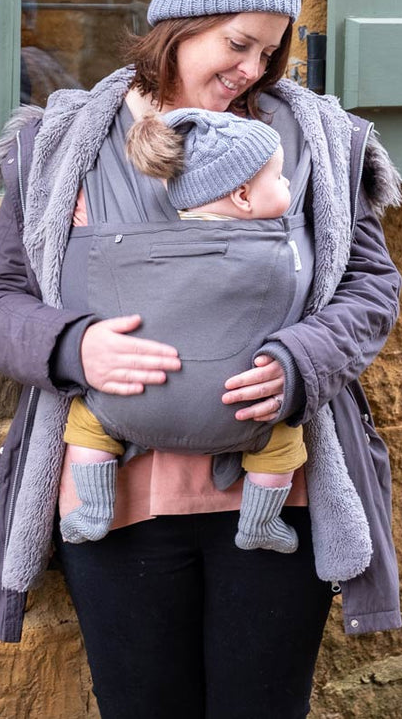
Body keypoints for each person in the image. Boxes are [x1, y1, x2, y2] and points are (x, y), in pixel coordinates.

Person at [0, 0, 402, 718]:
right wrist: (72, 346)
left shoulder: (312, 143)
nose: (255, 67)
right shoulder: (68, 146)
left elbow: (370, 289)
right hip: (121, 499)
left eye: (271, 48)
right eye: (236, 43)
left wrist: (301, 359)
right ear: (177, 26)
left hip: (278, 496)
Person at [60, 106, 306, 555]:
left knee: (87, 421)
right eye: (279, 177)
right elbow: (298, 304)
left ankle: (94, 507)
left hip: (131, 403)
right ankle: (260, 523)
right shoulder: (273, 250)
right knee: (284, 438)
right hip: (241, 408)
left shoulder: (141, 243)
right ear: (244, 197)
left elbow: (88, 288)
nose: (288, 184)